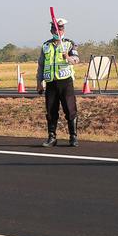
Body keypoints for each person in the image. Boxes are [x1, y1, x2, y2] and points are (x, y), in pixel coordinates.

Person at [36, 17, 80, 147]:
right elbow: (41, 65)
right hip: (51, 83)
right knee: (51, 111)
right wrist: (39, 82)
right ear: (51, 31)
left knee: (70, 110)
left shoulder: (70, 44)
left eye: (60, 29)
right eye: (55, 29)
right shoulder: (46, 45)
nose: (58, 31)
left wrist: (68, 57)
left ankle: (73, 137)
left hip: (65, 83)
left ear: (63, 30)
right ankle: (52, 137)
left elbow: (76, 60)